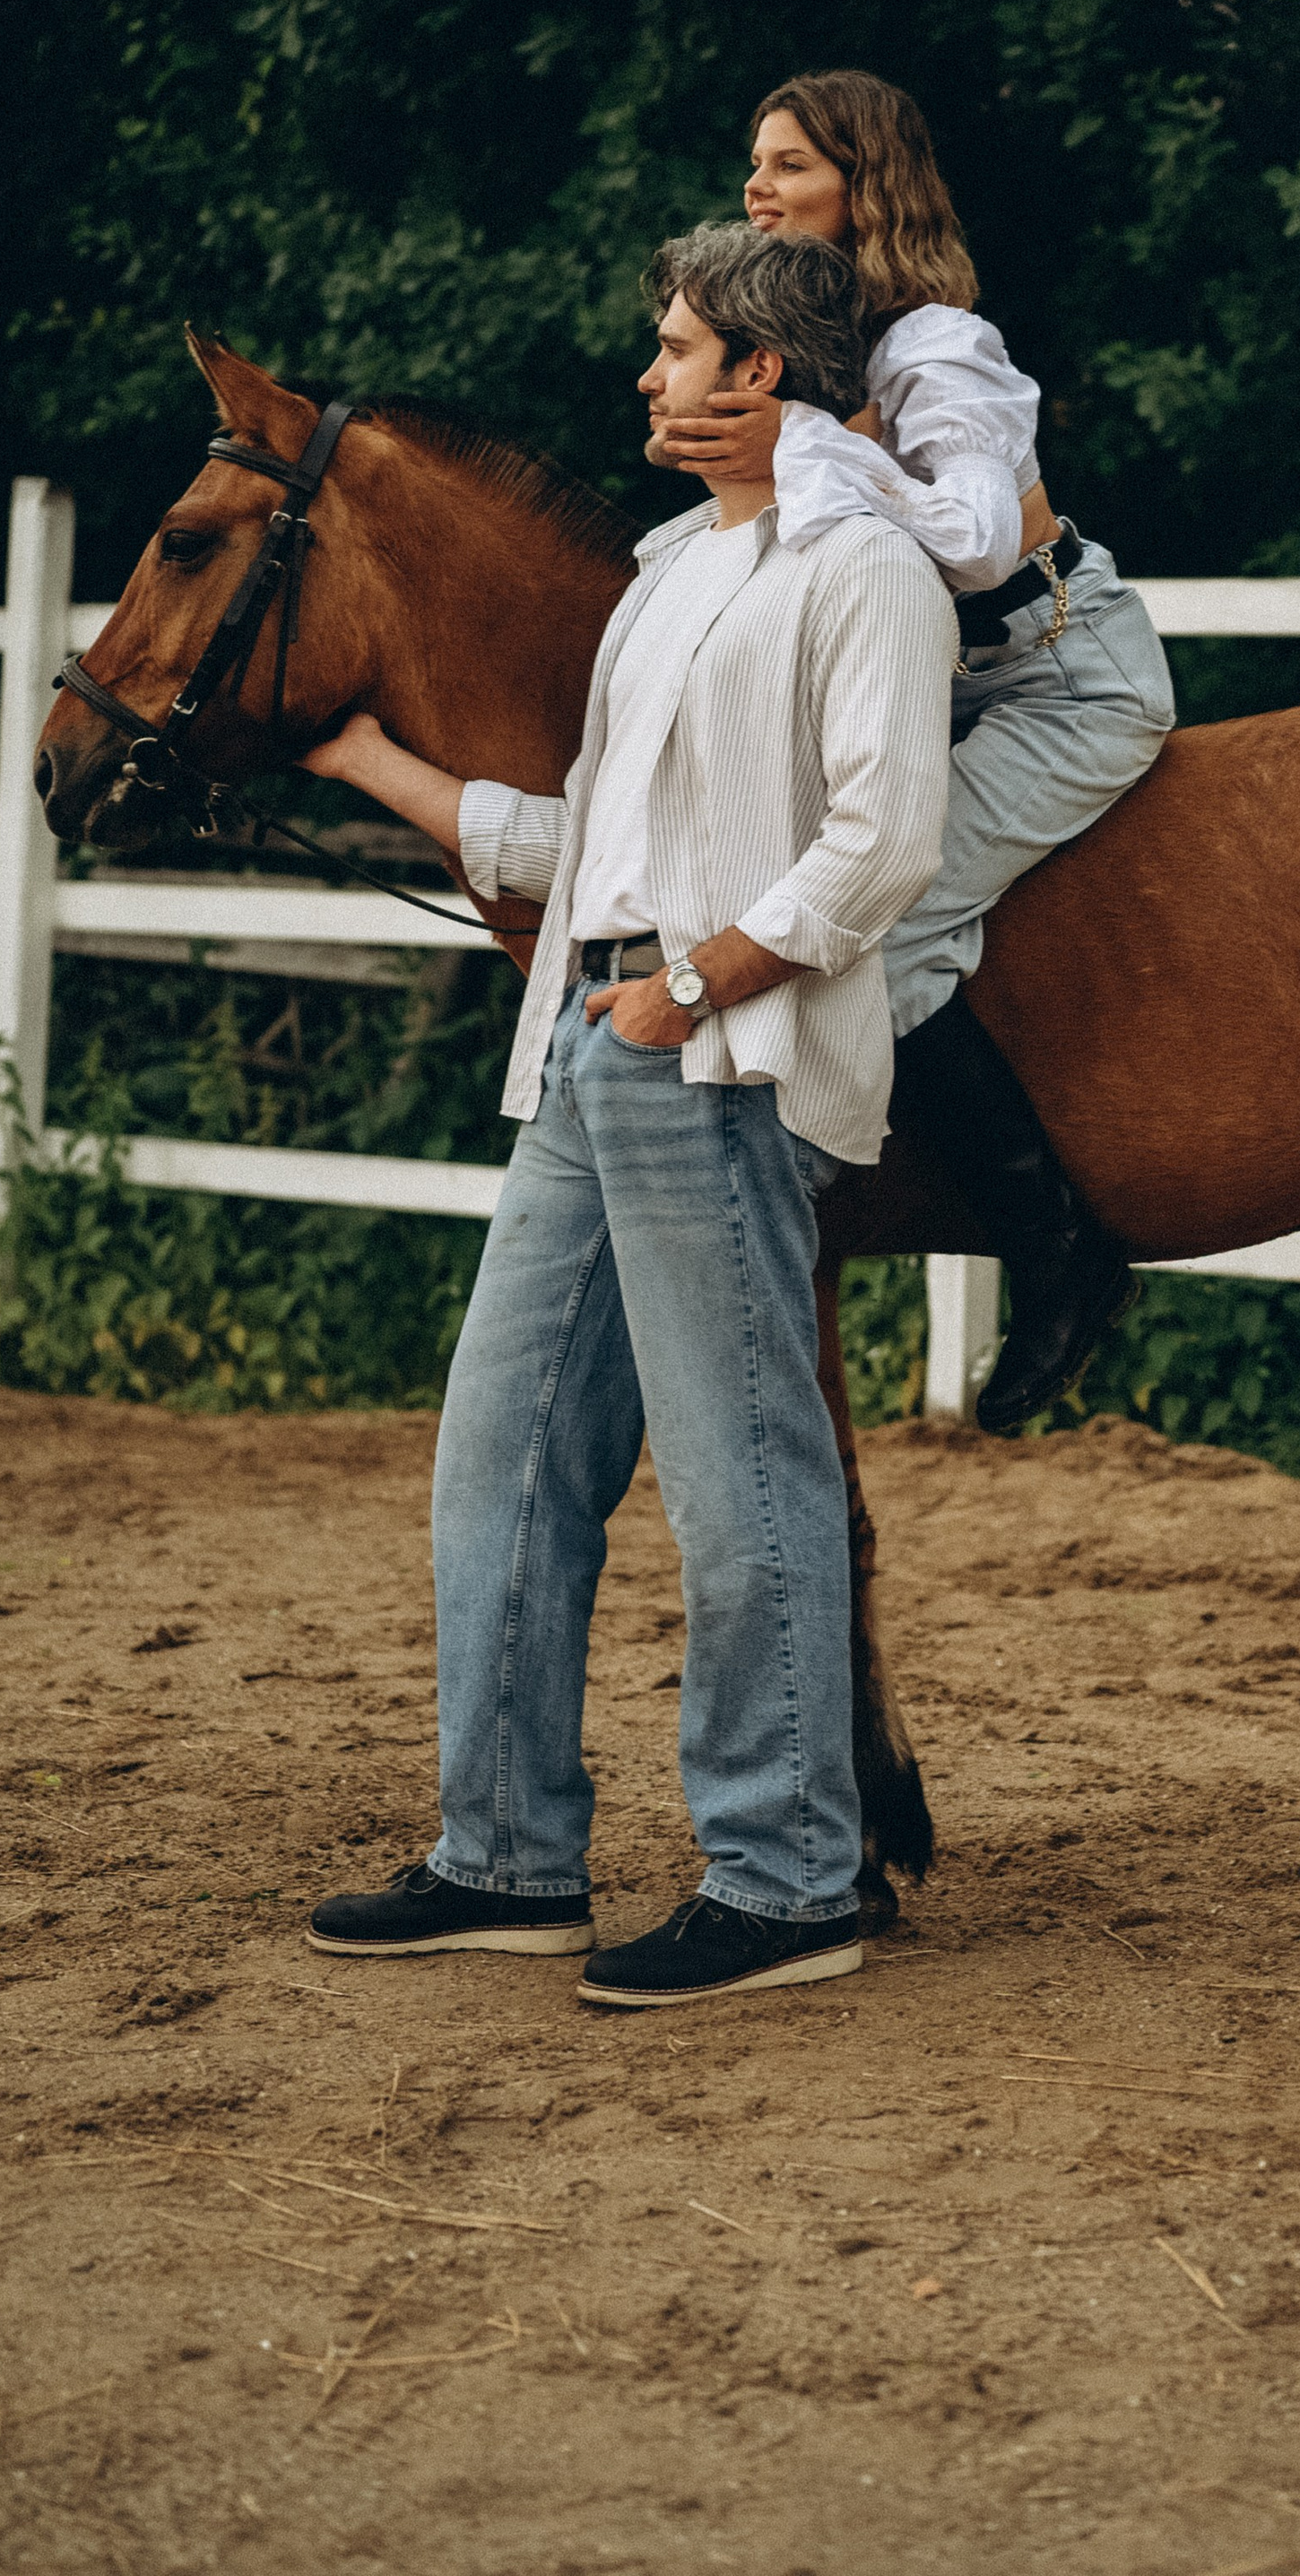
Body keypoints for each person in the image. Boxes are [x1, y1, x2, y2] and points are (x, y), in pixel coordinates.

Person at [297, 223, 957, 2006]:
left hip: (715, 1050)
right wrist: (371, 764)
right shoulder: (669, 568)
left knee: (741, 1471)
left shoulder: (864, 569)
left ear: (760, 371)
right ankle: (504, 1857)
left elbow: (887, 838)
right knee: (499, 1457)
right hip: (588, 1042)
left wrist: (701, 982)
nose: (647, 375)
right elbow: (588, 838)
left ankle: (790, 1880)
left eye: (674, 348)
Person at [667, 69, 1176, 1429]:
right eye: (755, 163)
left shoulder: (938, 345)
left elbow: (979, 542)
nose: (757, 187)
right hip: (944, 682)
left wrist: (810, 445)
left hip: (1060, 679)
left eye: (790, 165)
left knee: (872, 921)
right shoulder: (814, 347)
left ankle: (1056, 1243)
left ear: (866, 185)